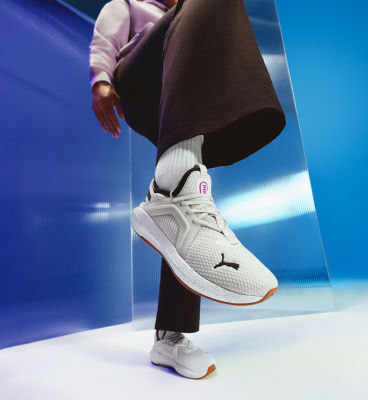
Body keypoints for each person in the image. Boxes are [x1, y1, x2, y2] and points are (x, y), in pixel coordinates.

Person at [89, 0, 286, 379]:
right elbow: (104, 41)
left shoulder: (187, 14)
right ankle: (174, 182)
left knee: (179, 222)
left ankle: (169, 337)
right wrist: (101, 80)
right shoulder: (129, 4)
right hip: (140, 82)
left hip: (180, 94)